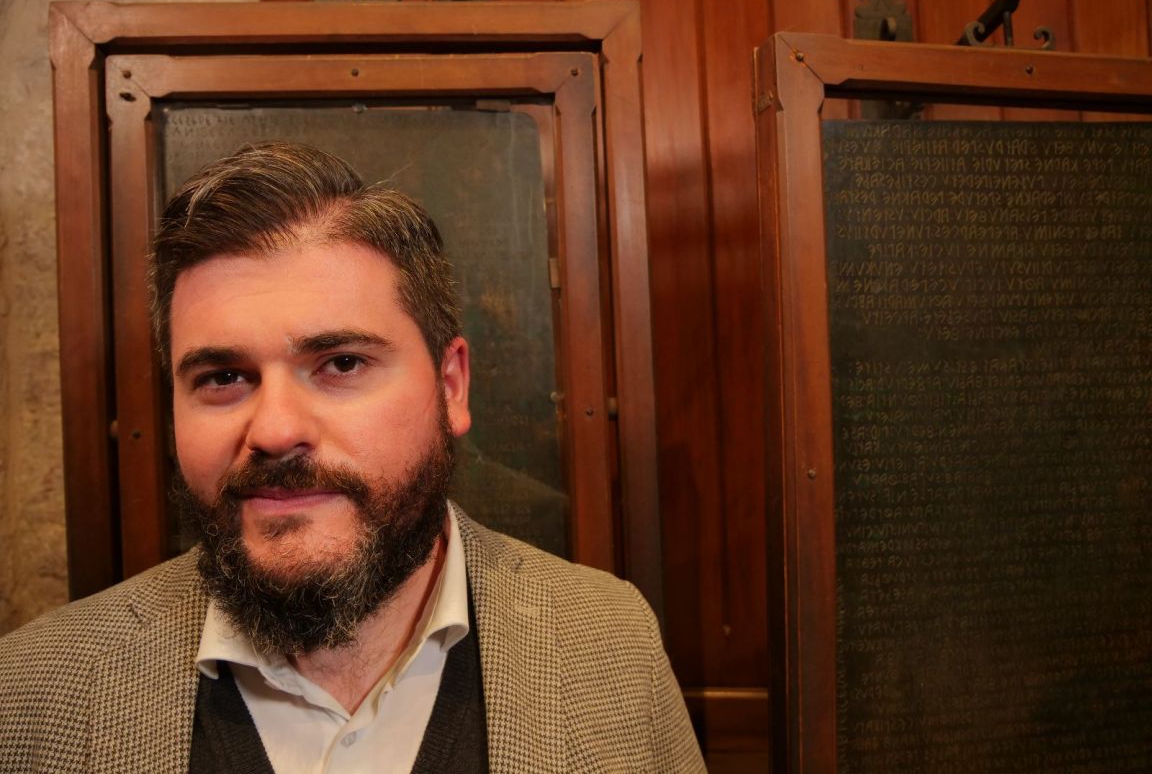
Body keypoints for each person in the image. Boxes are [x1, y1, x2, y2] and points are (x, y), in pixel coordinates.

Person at [0, 142, 705, 773]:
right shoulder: (31, 693)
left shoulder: (611, 643)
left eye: (341, 363)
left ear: (451, 386)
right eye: (223, 377)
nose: (275, 430)